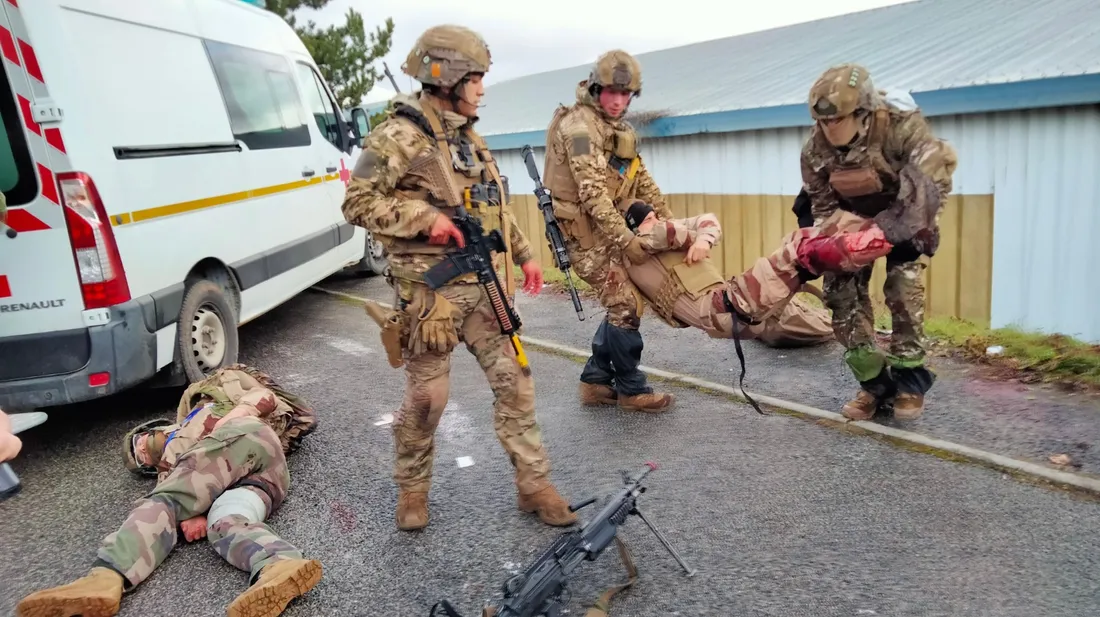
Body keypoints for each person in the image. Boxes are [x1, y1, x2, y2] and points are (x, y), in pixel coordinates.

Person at [342, 24, 577, 532]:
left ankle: (534, 484)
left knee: (516, 385)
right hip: (431, 297)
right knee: (428, 400)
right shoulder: (397, 136)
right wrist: (424, 218)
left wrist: (525, 253)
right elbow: (356, 202)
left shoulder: (468, 137)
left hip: (484, 285)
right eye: (475, 78)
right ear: (447, 78)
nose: (482, 89)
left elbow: (492, 206)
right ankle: (412, 489)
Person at [15, 364, 321, 617]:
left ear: (154, 431)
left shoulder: (192, 423)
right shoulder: (177, 461)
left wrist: (228, 422)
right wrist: (198, 510)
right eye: (140, 460)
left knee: (166, 503)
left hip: (245, 438)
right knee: (225, 522)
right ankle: (278, 564)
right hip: (266, 478)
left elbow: (263, 397)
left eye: (139, 446)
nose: (143, 453)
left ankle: (106, 576)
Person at [800, 63, 957, 421]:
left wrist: (884, 231)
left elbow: (925, 193)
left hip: (908, 210)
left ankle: (909, 380)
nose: (828, 128)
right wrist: (832, 241)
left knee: (903, 286)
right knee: (840, 293)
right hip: (853, 215)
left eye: (837, 119)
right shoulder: (814, 149)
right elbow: (822, 206)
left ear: (863, 111)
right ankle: (873, 383)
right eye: (823, 121)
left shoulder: (902, 128)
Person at [540, 49, 674, 413]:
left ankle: (596, 382)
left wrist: (670, 223)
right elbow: (592, 194)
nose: (617, 101)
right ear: (597, 89)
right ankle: (631, 390)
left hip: (606, 231)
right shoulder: (579, 128)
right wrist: (628, 241)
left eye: (625, 94)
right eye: (611, 92)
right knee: (624, 303)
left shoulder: (619, 129)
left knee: (622, 303)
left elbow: (641, 179)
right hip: (581, 238)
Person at [619, 201, 897, 347]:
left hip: (733, 307)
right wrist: (696, 237)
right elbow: (669, 232)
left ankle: (864, 227)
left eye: (655, 216)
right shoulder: (637, 251)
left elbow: (708, 220)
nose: (656, 221)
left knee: (796, 314)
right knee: (794, 252)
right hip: (723, 310)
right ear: (632, 229)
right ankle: (875, 236)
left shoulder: (655, 235)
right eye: (648, 220)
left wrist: (703, 240)